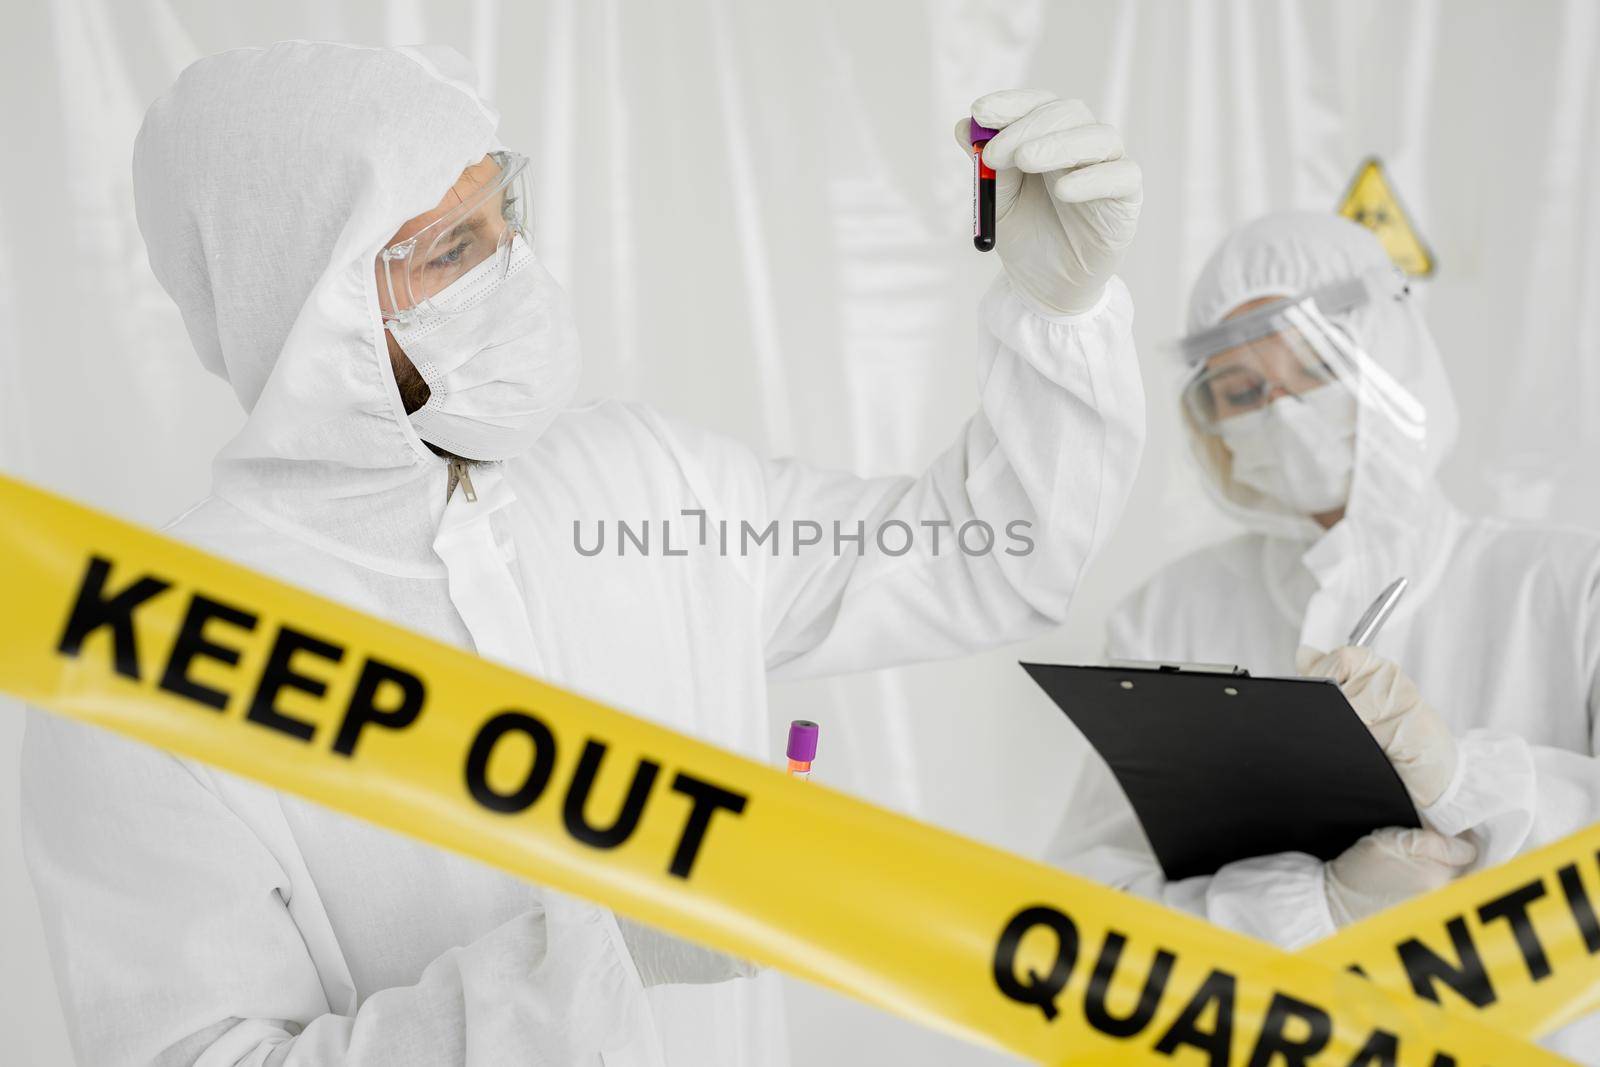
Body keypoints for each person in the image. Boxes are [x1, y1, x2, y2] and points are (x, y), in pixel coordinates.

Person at [21, 42, 1146, 1067]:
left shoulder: (641, 481)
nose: (514, 270)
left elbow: (986, 557)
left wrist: (1062, 318)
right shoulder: (143, 663)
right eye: (451, 248)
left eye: (505, 214)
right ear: (301, 297)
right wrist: (601, 952)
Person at [1044, 211, 1600, 1060]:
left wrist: (1468, 781)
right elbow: (1091, 918)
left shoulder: (1568, 588)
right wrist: (1315, 907)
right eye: (1242, 389)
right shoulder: (1169, 614)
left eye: (1317, 365)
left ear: (1394, 350)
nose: (1285, 410)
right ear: (1211, 419)